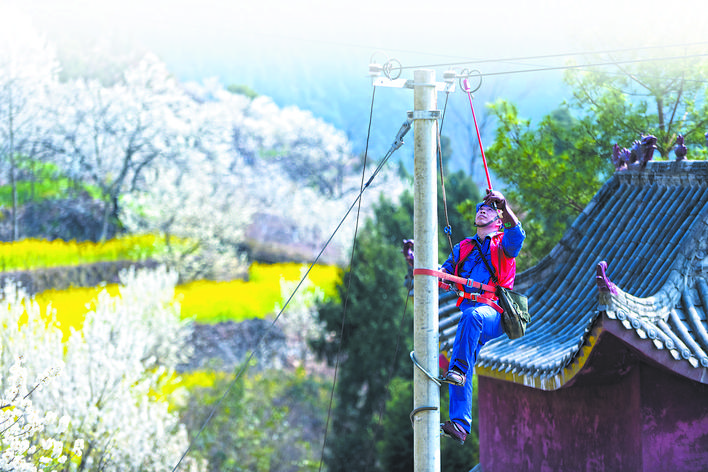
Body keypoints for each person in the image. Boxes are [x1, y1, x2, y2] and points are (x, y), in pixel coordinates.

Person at [439, 189, 525, 445]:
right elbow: (444, 271)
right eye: (480, 208)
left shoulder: (504, 244)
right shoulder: (462, 247)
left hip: (494, 313)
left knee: (470, 329)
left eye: (489, 208)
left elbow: (517, 233)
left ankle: (458, 370)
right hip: (470, 314)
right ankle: (460, 424)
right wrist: (441, 277)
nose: (482, 210)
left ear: (498, 220)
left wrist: (504, 205)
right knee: (461, 358)